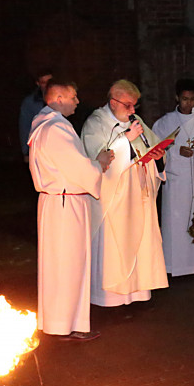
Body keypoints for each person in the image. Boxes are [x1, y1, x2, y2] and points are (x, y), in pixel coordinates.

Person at [28, 80, 114, 339]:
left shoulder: (43, 123)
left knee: (61, 264)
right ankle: (65, 325)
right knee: (68, 264)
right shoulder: (56, 129)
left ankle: (60, 322)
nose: (78, 102)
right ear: (59, 97)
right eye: (74, 97)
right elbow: (78, 169)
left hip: (57, 202)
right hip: (65, 204)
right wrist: (98, 163)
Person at [81, 80, 168, 306]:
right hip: (115, 197)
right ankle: (110, 298)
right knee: (115, 245)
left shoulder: (135, 122)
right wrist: (125, 140)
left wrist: (158, 157)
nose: (132, 111)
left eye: (135, 106)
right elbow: (98, 158)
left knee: (141, 242)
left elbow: (151, 145)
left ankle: (138, 292)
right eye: (128, 105)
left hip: (138, 191)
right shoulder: (96, 123)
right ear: (113, 102)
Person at [152, 79, 194, 276]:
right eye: (185, 99)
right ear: (177, 98)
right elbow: (155, 152)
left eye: (192, 99)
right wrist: (173, 152)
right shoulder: (164, 123)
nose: (188, 103)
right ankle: (175, 265)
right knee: (177, 223)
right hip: (177, 181)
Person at [19, 71, 52, 162]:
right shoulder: (30, 102)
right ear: (38, 83)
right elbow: (25, 126)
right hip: (39, 148)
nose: (47, 85)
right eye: (43, 82)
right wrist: (26, 152)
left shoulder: (61, 98)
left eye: (49, 81)